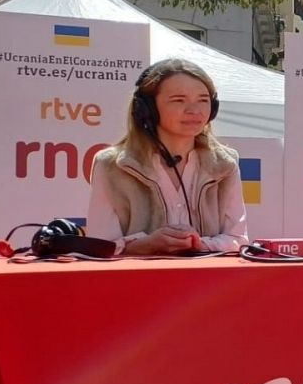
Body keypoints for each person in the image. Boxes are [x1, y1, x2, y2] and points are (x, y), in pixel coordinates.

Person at [88, 58, 248, 255]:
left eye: (203, 100)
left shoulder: (225, 164)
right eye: (179, 100)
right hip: (137, 283)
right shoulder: (112, 166)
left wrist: (198, 244)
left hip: (208, 283)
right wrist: (144, 245)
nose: (194, 110)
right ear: (147, 110)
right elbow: (100, 246)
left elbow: (238, 240)